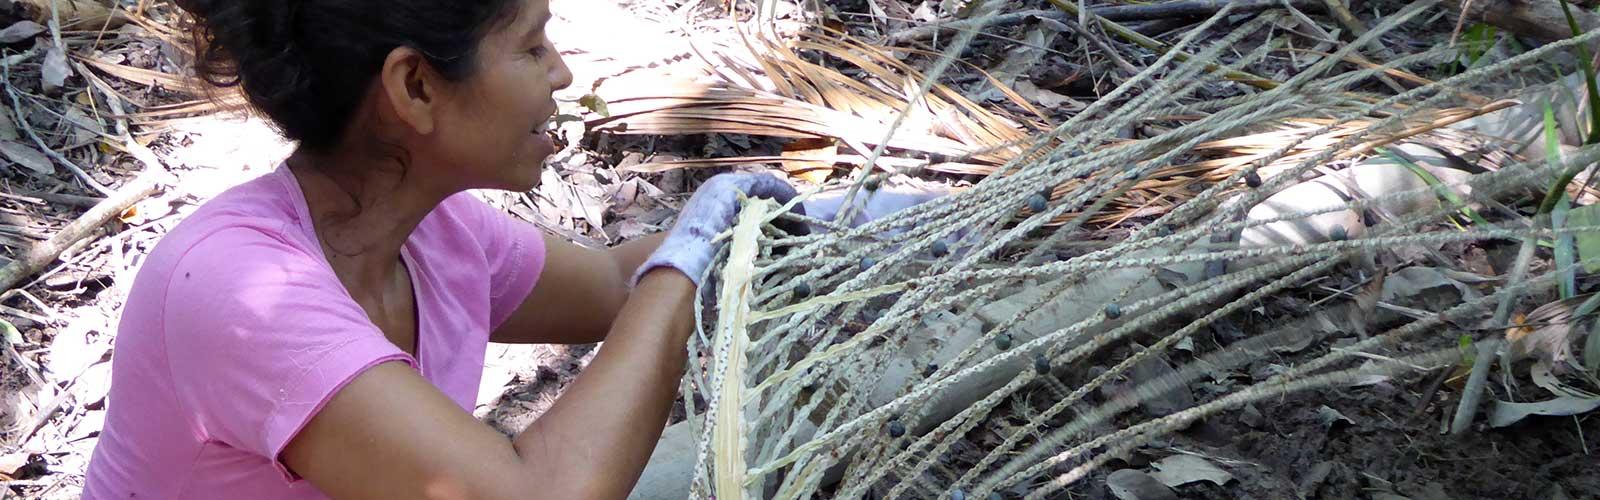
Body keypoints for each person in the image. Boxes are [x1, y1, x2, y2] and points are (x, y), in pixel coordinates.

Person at [81, 0, 798, 498]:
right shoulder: (236, 291)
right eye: (531, 47)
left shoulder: (436, 234)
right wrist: (691, 257)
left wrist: (756, 219)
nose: (562, 75)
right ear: (415, 86)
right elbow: (539, 492)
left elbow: (614, 286)